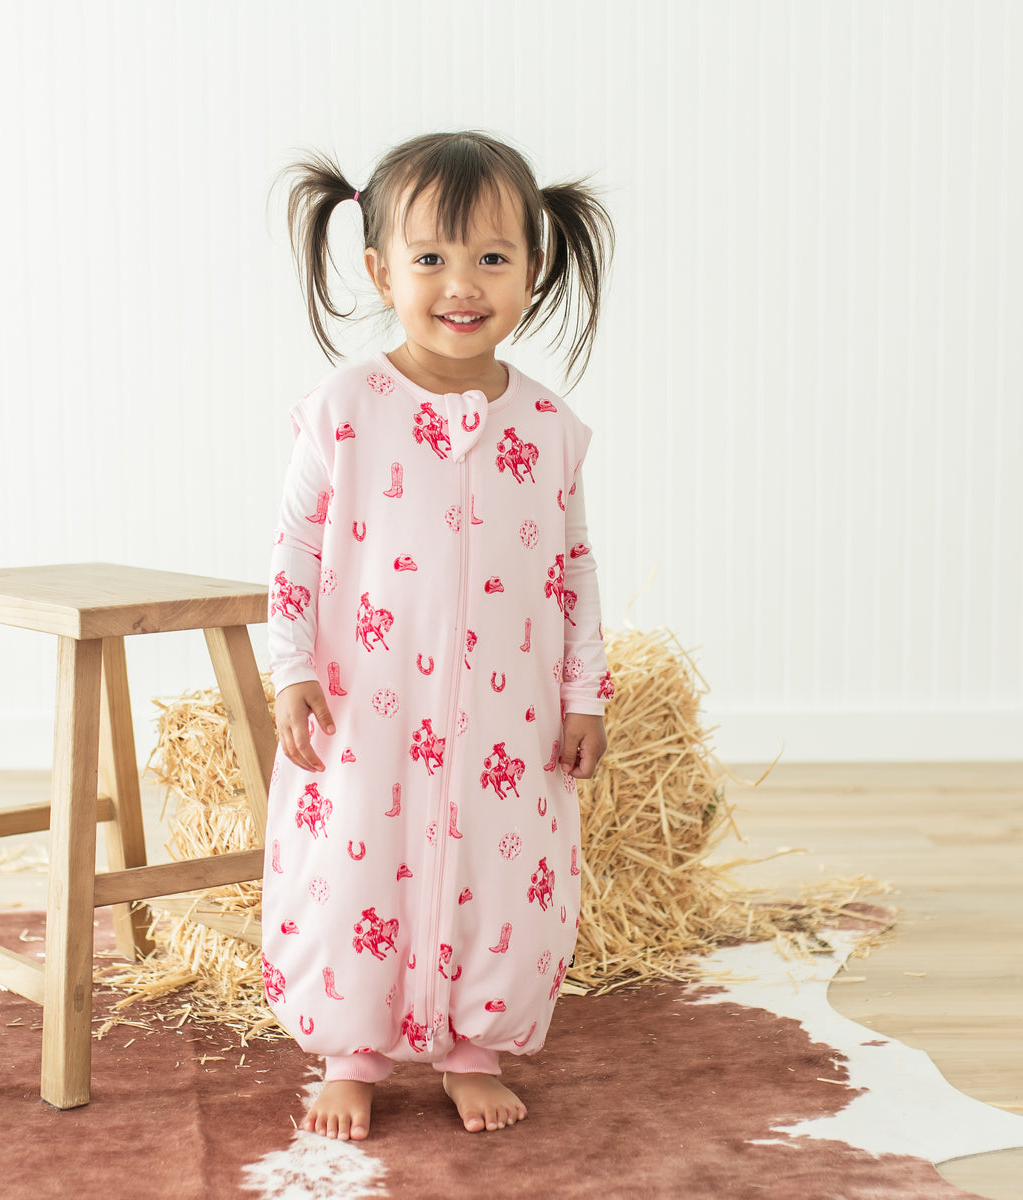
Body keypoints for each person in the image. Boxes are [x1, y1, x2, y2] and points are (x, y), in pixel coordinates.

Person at [262, 130, 614, 1141]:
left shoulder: (550, 427)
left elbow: (575, 568)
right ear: (379, 270)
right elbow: (290, 549)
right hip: (370, 708)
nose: (463, 285)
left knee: (502, 872)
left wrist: (583, 692)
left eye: (493, 258)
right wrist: (291, 671)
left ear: (534, 272)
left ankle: (473, 1044)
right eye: (431, 259)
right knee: (356, 868)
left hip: (507, 721)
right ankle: (352, 1051)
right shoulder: (346, 409)